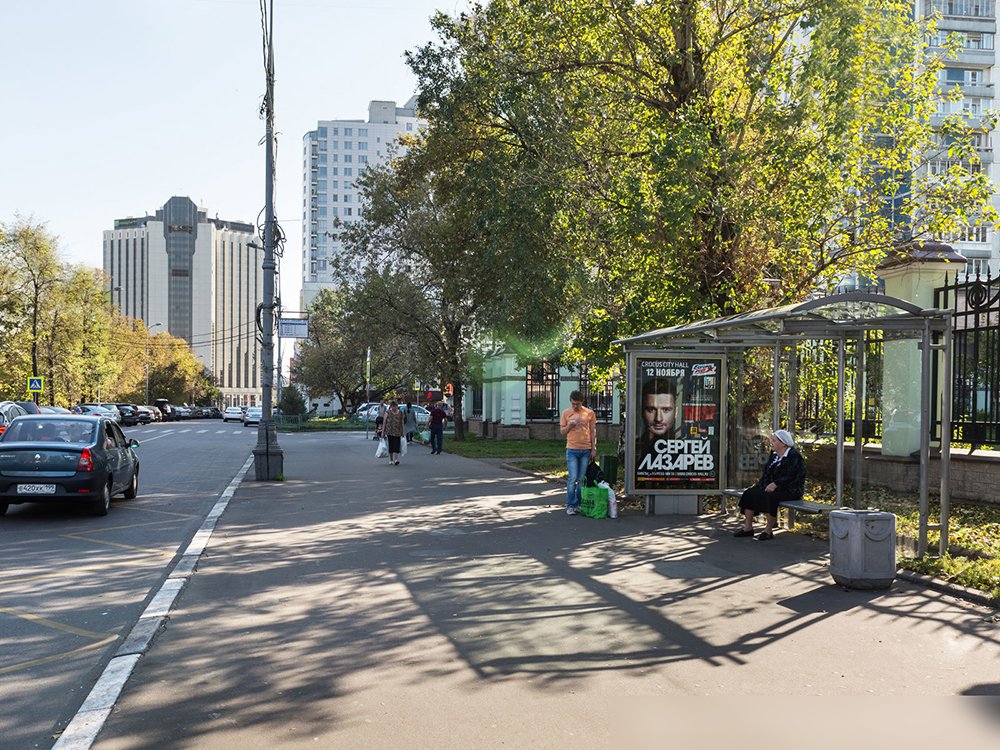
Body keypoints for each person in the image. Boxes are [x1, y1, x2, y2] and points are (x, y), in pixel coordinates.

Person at [734, 429, 806, 540]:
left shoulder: (794, 456)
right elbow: (767, 472)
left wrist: (776, 484)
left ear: (783, 443)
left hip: (790, 489)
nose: (771, 443)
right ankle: (748, 528)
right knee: (750, 493)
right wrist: (763, 485)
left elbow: (792, 476)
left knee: (770, 497)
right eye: (771, 440)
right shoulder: (774, 455)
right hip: (771, 486)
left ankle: (768, 530)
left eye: (774, 440)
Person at [559, 390, 597, 515]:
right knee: (572, 478)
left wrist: (593, 449)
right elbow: (562, 432)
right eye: (573, 404)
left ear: (582, 402)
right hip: (572, 449)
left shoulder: (589, 413)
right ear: (570, 401)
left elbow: (592, 432)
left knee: (581, 479)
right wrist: (569, 426)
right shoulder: (566, 413)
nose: (575, 406)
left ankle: (578, 504)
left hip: (585, 449)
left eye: (578, 404)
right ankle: (570, 505)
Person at [637, 377, 679, 459]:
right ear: (642, 411)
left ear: (676, 412)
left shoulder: (685, 450)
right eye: (651, 409)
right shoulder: (634, 448)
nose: (658, 418)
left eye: (666, 410)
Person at [382, 400, 405, 465]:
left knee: (396, 445)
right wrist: (382, 432)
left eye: (395, 406)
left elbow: (402, 422)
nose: (394, 408)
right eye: (393, 406)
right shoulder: (387, 412)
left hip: (397, 432)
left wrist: (403, 431)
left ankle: (396, 459)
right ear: (391, 406)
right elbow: (384, 422)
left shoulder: (400, 413)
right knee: (391, 445)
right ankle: (391, 459)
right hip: (389, 431)